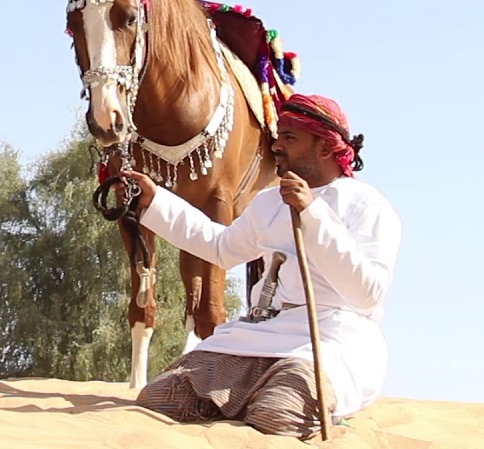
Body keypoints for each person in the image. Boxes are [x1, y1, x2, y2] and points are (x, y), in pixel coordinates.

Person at [127, 94, 401, 438]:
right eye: (278, 136)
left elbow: (368, 294)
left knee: (276, 416)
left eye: (290, 138)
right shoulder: (269, 201)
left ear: (326, 149)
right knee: (162, 398)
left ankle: (316, 409)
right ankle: (251, 402)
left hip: (328, 340)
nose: (277, 146)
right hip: (258, 335)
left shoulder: (366, 204)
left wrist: (312, 214)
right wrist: (157, 202)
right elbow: (221, 248)